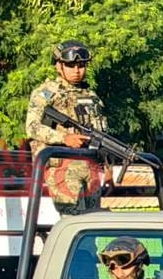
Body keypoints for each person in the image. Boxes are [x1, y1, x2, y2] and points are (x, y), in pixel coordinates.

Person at [25, 41, 112, 215]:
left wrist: (108, 170)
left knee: (94, 220)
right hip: (62, 166)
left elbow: (102, 136)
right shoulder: (47, 93)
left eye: (81, 65)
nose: (77, 70)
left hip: (91, 167)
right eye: (71, 65)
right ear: (59, 66)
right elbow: (32, 127)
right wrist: (64, 138)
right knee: (72, 219)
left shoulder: (91, 96)